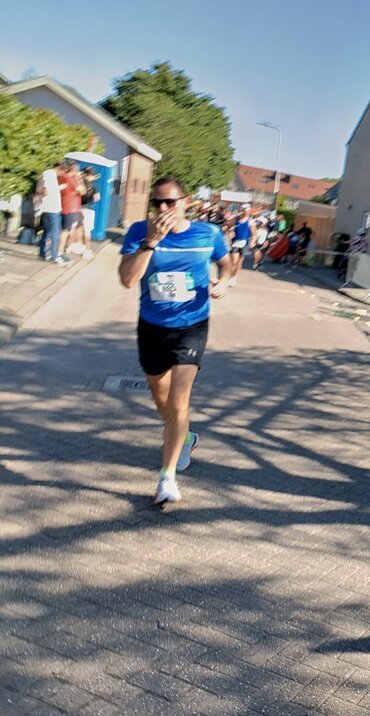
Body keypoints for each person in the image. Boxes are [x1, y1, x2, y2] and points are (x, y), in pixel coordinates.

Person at [118, 176, 232, 505]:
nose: (164, 208)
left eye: (170, 201)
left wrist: (224, 281)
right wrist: (151, 242)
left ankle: (167, 478)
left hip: (192, 325)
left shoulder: (208, 234)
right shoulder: (140, 232)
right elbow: (127, 280)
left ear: (186, 202)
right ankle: (186, 436)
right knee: (162, 400)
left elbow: (225, 263)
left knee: (180, 402)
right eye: (158, 203)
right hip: (152, 326)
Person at [57, 161, 85, 263]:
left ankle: (61, 252)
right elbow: (81, 191)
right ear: (74, 169)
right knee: (65, 231)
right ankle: (59, 253)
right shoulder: (68, 178)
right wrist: (79, 180)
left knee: (67, 230)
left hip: (71, 207)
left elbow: (83, 192)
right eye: (77, 170)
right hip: (69, 208)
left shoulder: (65, 177)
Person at [35, 162, 63, 263]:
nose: (62, 174)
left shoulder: (48, 174)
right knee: (55, 232)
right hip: (52, 208)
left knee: (47, 231)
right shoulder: (49, 174)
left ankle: (42, 253)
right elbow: (45, 190)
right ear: (59, 168)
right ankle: (54, 256)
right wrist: (46, 195)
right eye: (62, 171)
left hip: (47, 208)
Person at [229, 204, 252, 286]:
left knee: (239, 263)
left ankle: (234, 277)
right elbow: (228, 226)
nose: (246, 212)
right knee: (234, 261)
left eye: (248, 211)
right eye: (245, 210)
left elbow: (254, 233)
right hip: (236, 243)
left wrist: (253, 242)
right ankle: (230, 277)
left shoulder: (250, 221)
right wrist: (230, 232)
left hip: (245, 244)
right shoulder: (236, 219)